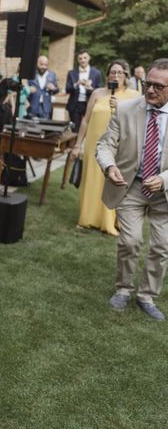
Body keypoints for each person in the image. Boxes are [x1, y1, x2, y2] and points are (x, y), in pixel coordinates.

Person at [96, 58, 168, 321]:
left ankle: (147, 296)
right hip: (131, 187)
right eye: (148, 84)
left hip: (165, 193)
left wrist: (164, 180)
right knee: (130, 241)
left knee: (162, 246)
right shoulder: (125, 110)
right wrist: (109, 166)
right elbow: (105, 145)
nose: (150, 90)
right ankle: (124, 289)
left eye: (158, 87)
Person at [71, 60, 139, 236]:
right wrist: (78, 144)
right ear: (107, 74)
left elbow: (138, 121)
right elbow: (85, 120)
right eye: (112, 72)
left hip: (118, 147)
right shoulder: (97, 93)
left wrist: (120, 108)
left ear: (126, 75)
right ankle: (87, 219)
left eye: (119, 72)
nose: (115, 75)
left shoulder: (134, 95)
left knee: (111, 182)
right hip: (94, 145)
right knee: (92, 181)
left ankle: (109, 222)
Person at [65, 49, 103, 131]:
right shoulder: (71, 73)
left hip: (90, 103)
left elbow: (100, 91)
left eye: (85, 58)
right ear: (77, 60)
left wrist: (91, 89)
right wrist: (76, 84)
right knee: (75, 129)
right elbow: (67, 89)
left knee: (89, 128)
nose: (83, 60)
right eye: (80, 58)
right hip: (75, 105)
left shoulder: (97, 73)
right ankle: (75, 143)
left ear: (89, 58)